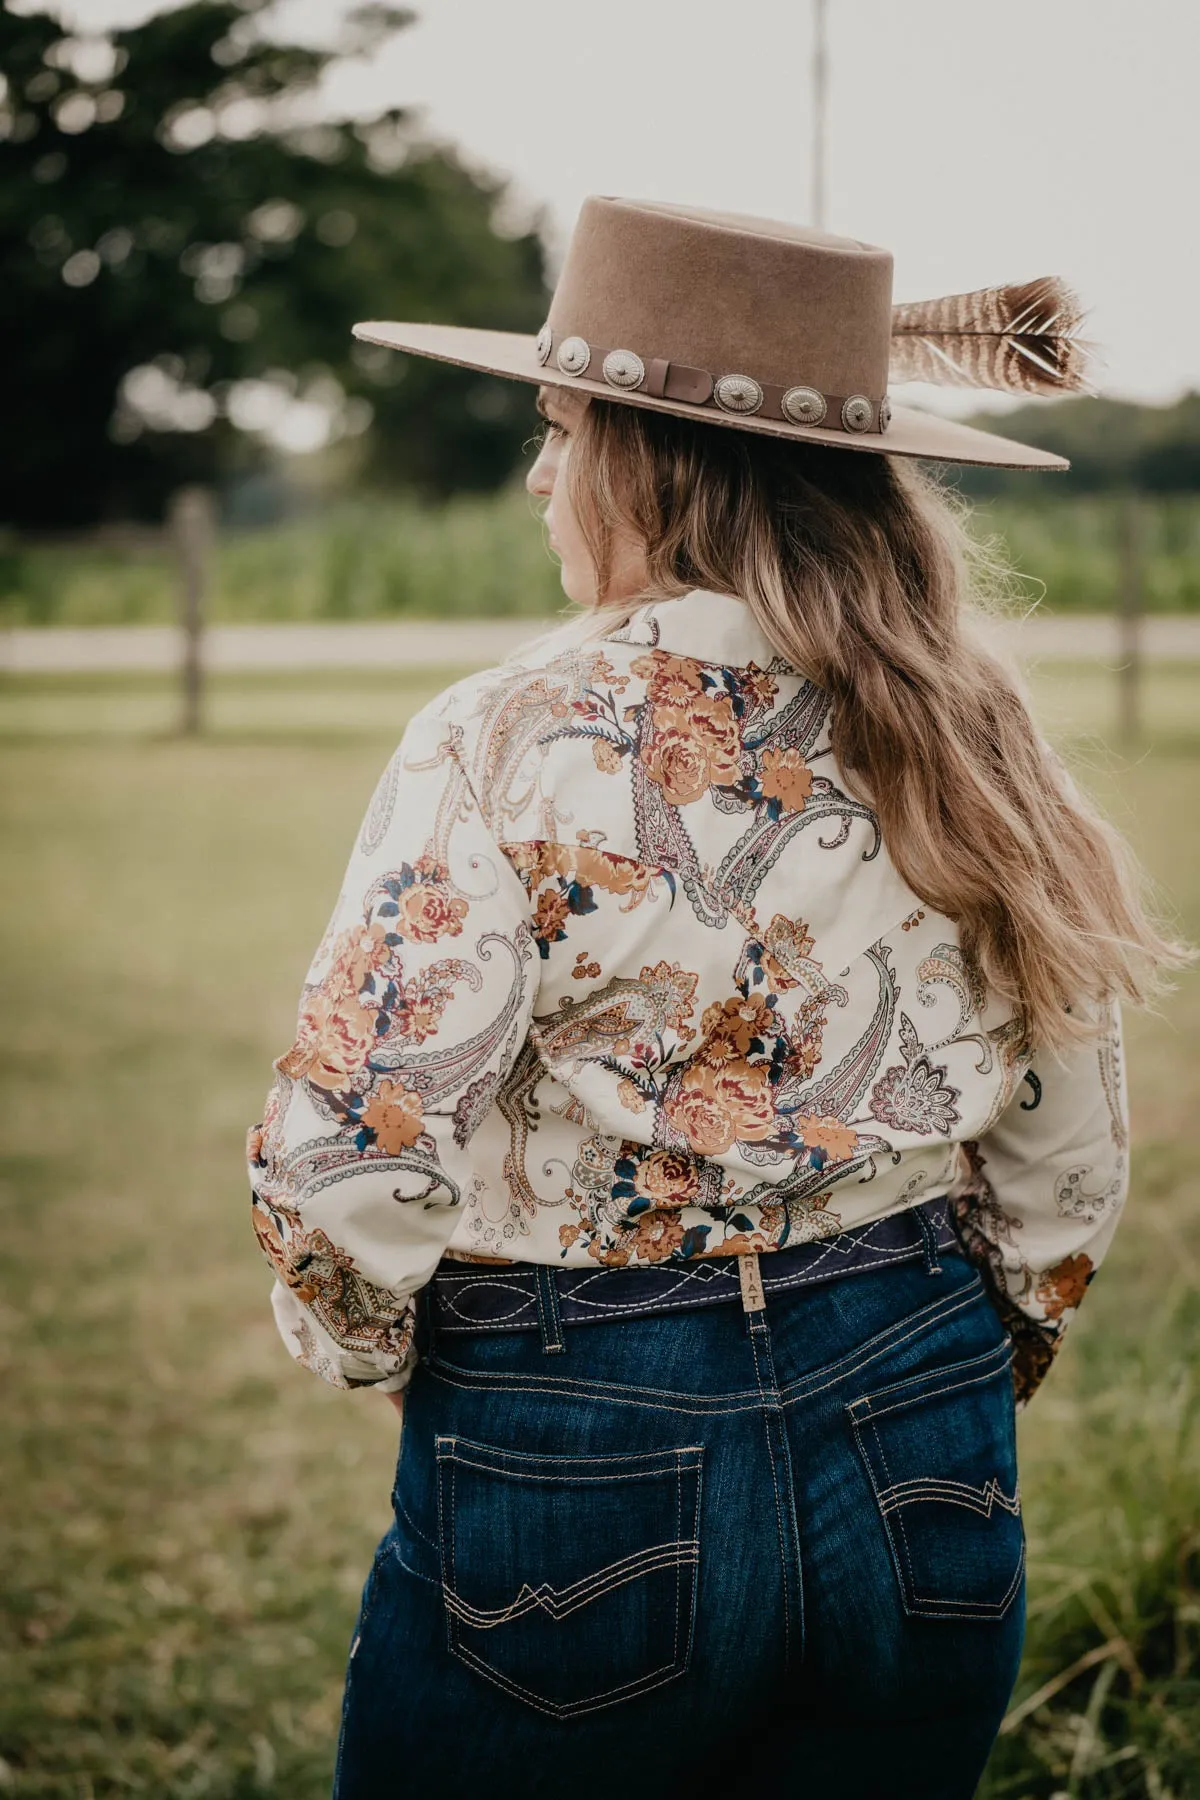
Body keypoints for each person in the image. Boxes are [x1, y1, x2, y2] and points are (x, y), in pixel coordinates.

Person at [246, 199, 1180, 1798]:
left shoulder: (509, 736)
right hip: (921, 1408)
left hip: (573, 1427)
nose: (543, 474)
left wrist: (377, 1346)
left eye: (559, 430)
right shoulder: (970, 725)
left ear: (648, 461)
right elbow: (1065, 1111)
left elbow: (353, 1160)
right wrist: (993, 1327)